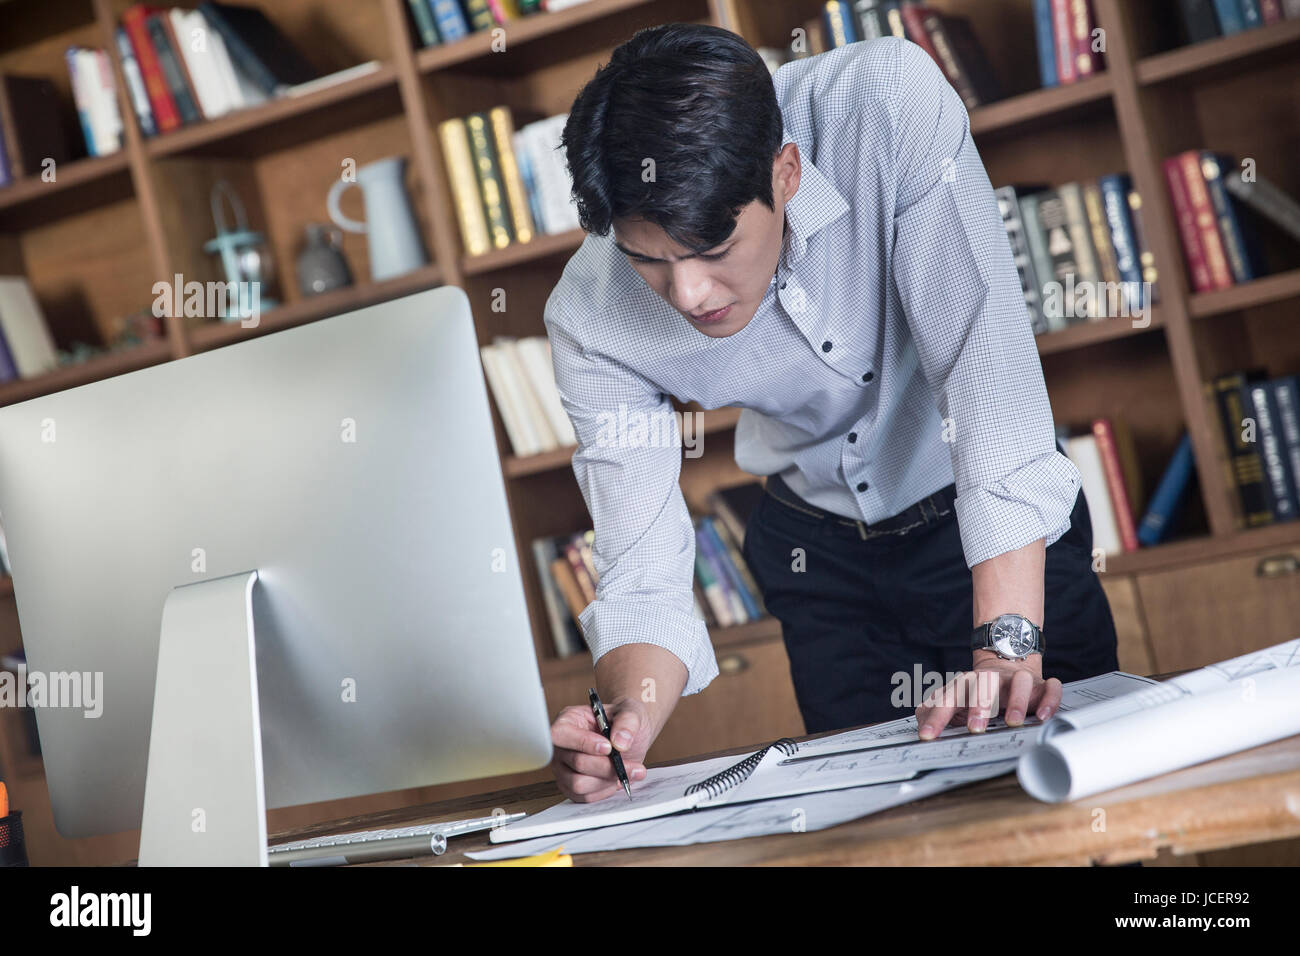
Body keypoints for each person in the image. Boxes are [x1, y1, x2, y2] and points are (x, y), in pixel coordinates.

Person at [543, 23, 1119, 802]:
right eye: (650, 260)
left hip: (987, 525)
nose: (690, 297)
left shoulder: (884, 105)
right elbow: (641, 569)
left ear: (786, 174)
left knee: (1080, 800)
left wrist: (1007, 648)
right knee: (881, 828)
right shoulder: (591, 316)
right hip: (822, 564)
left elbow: (988, 377)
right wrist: (627, 720)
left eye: (715, 249)